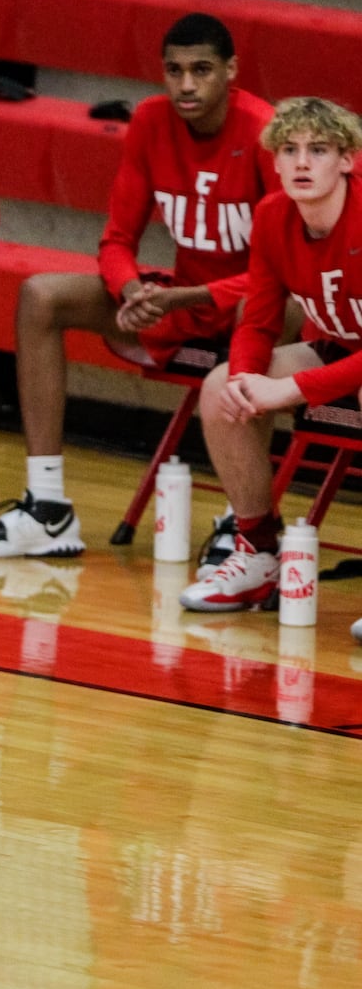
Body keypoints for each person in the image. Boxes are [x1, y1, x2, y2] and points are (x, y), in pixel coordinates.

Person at [0, 13, 279, 566]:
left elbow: (285, 270)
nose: (187, 85)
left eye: (202, 70)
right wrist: (130, 290)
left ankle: (240, 518)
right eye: (174, 71)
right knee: (40, 296)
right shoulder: (151, 121)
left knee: (260, 309)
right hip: (182, 297)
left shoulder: (265, 132)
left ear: (232, 71)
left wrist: (186, 298)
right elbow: (116, 239)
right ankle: (47, 508)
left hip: (255, 305)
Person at [176, 97, 362, 615]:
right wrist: (244, 379)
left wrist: (290, 389)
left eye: (318, 150)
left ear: (347, 159)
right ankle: (256, 551)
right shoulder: (273, 215)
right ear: (274, 162)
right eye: (290, 149)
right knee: (218, 390)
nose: (302, 162)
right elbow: (258, 320)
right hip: (341, 349)